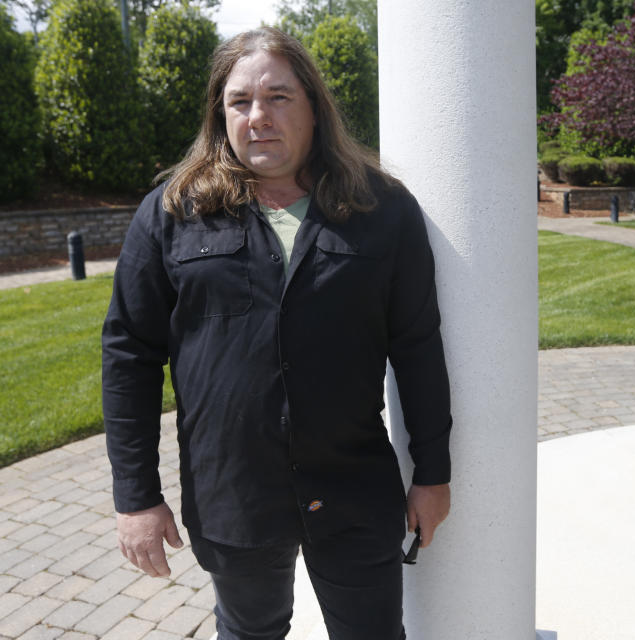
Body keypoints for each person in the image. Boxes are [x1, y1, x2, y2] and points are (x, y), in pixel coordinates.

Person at [102, 27, 452, 640]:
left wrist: (432, 472)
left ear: (314, 107)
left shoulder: (383, 210)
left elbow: (418, 346)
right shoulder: (172, 213)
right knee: (249, 632)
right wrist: (136, 496)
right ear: (221, 114)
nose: (258, 117)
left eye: (279, 97)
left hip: (352, 487)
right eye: (240, 101)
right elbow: (128, 355)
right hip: (232, 491)